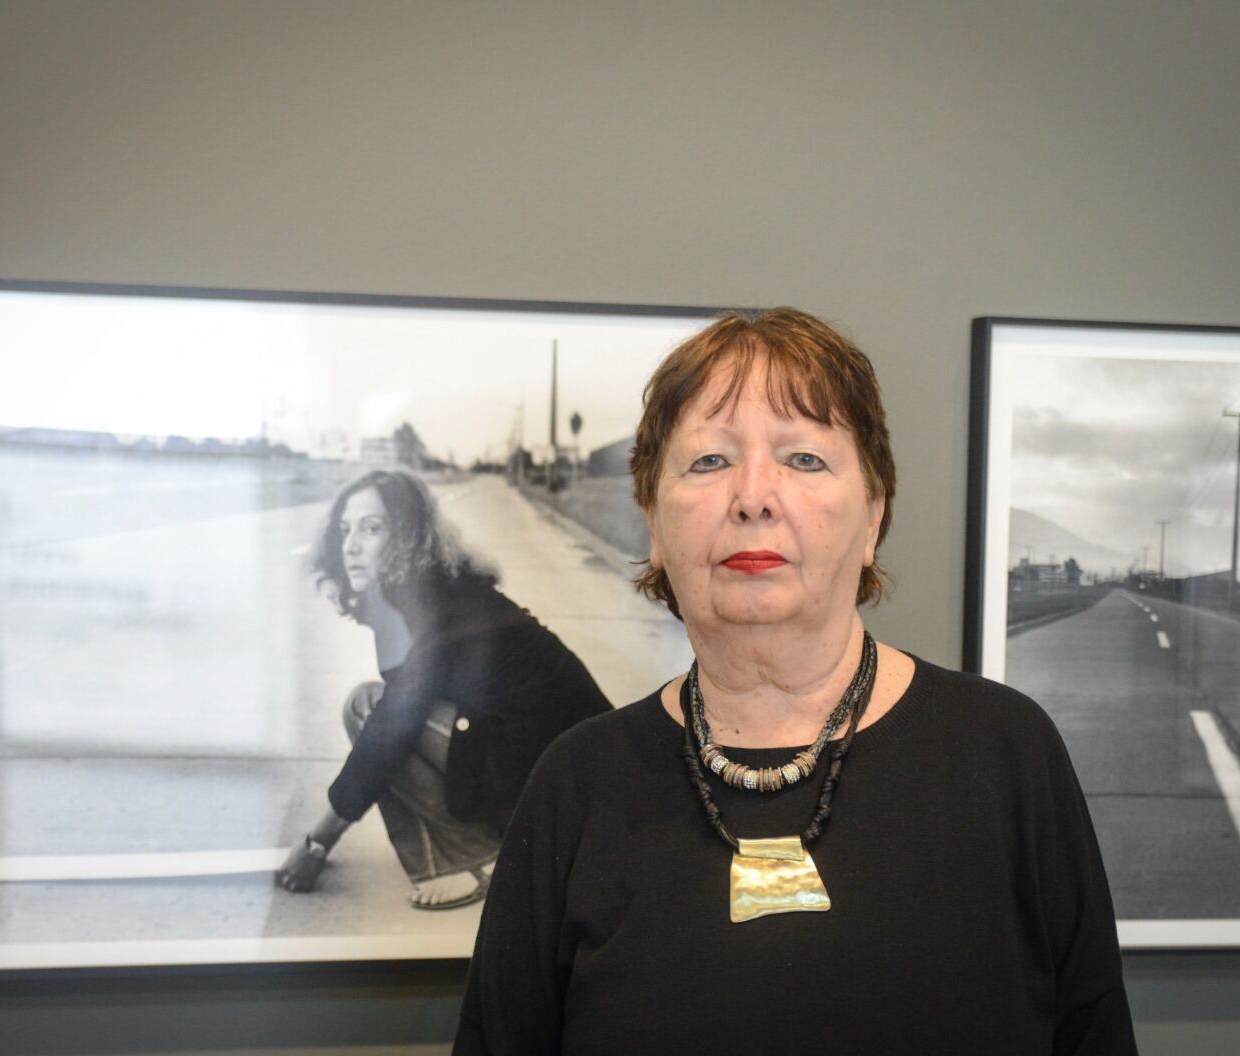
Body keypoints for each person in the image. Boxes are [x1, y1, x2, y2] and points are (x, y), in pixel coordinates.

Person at [455, 309, 1137, 1053]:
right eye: (709, 461)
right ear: (653, 523)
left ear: (873, 514)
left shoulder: (1007, 755)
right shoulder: (573, 786)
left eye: (804, 459)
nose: (753, 495)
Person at [275, 469, 611, 909]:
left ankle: (475, 860)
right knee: (374, 705)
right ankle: (479, 848)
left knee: (371, 712)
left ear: (406, 536)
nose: (351, 546)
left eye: (372, 528)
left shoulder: (438, 603)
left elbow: (391, 729)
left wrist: (318, 841)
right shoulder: (422, 591)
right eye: (345, 530)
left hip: (566, 787)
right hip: (543, 762)